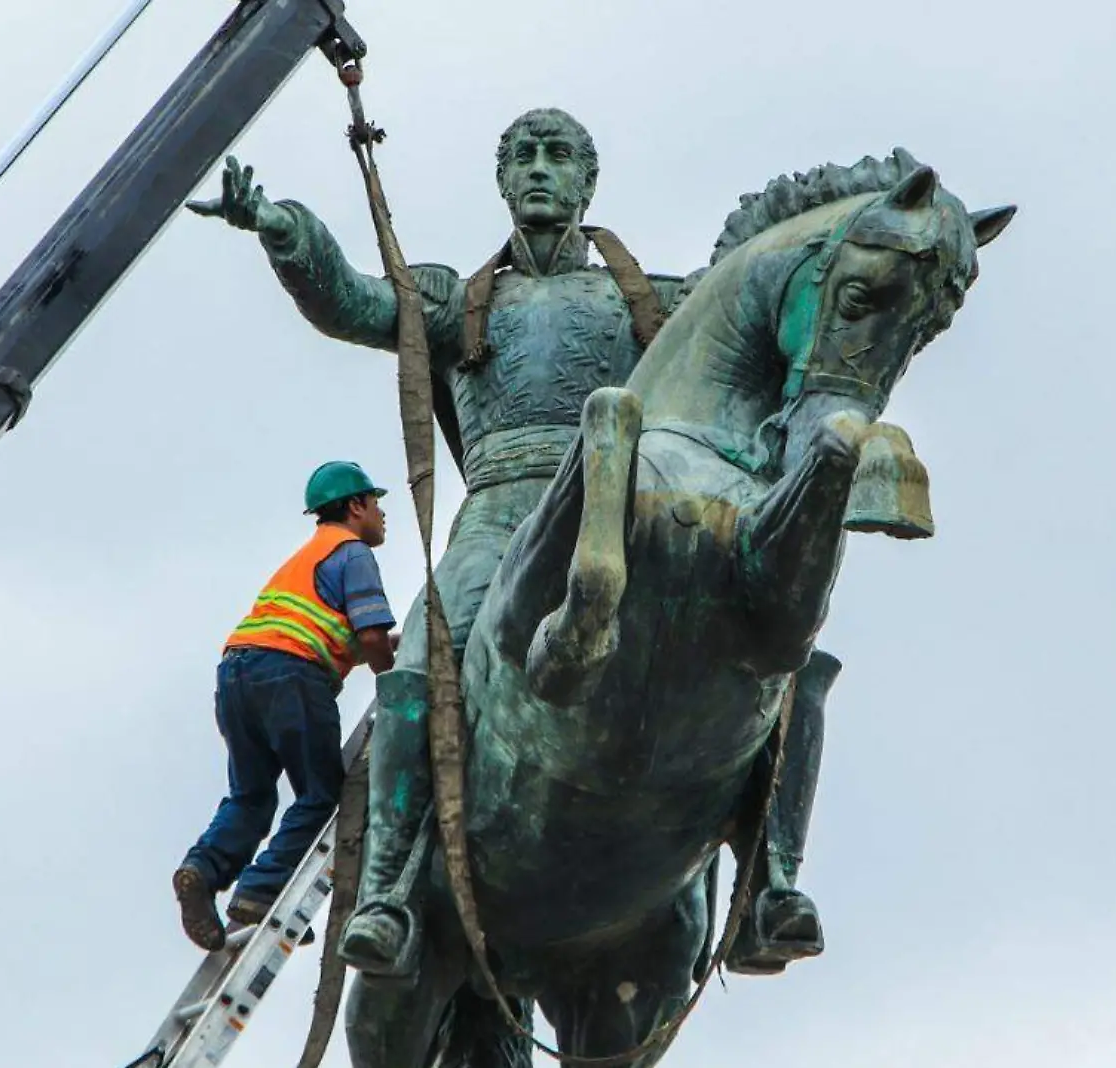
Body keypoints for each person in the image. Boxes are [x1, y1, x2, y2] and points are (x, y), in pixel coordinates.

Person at [186, 107, 828, 976]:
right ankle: (389, 893)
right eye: (522, 155)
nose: (538, 168)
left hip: (623, 506)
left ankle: (769, 885)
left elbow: (750, 334)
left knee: (774, 652)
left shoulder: (646, 299)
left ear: (586, 180)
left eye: (557, 154)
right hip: (499, 511)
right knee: (417, 658)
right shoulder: (457, 300)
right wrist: (284, 231)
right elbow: (352, 301)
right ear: (502, 179)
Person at [172, 460, 399, 952]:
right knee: (321, 796)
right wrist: (397, 681)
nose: (383, 514)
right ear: (356, 505)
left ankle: (202, 870)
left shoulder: (308, 557)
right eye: (377, 503)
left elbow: (340, 636)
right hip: (291, 676)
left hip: (238, 673)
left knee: (251, 797)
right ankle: (261, 889)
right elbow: (372, 635)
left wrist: (395, 645)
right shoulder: (353, 552)